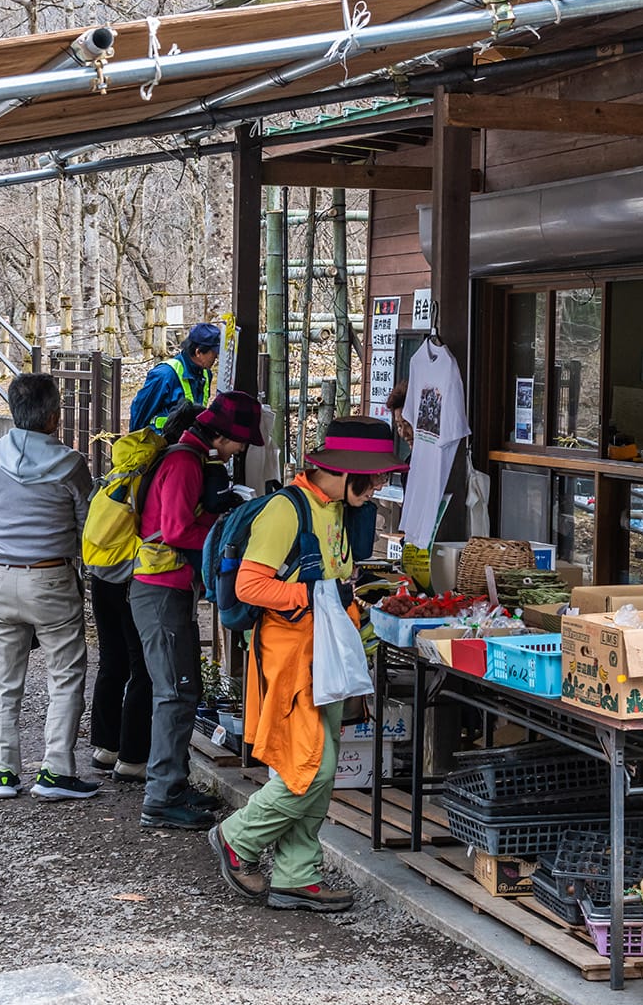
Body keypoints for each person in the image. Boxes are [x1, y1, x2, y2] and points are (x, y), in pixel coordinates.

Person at [208, 415, 407, 912]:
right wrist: (317, 593)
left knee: (317, 763)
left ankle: (297, 874)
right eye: (376, 475)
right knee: (312, 769)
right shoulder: (285, 511)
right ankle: (238, 838)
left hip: (326, 656)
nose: (381, 483)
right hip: (293, 657)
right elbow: (248, 587)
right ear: (344, 471)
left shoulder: (336, 508)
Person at [130, 390, 263, 830]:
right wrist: (226, 528)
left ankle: (173, 781)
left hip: (167, 590)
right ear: (223, 435)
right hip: (160, 590)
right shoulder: (185, 462)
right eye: (241, 441)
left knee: (181, 689)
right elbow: (176, 529)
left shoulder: (184, 455)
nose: (242, 449)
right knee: (174, 692)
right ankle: (161, 796)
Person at [0, 373, 98, 801]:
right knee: (64, 675)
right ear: (53, 417)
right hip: (52, 577)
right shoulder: (70, 464)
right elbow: (89, 524)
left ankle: (4, 773)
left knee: (3, 679)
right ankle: (56, 771)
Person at [85, 405, 199, 785]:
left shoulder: (137, 463)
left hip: (103, 569)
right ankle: (133, 757)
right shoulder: (170, 467)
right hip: (134, 573)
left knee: (111, 659)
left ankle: (104, 746)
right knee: (143, 668)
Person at [129, 322, 221, 433]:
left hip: (187, 443)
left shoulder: (205, 374)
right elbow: (140, 413)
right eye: (214, 352)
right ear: (198, 352)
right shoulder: (164, 375)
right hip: (161, 444)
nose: (216, 356)